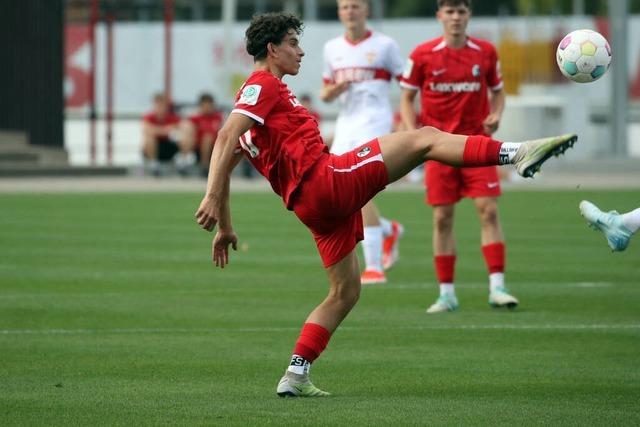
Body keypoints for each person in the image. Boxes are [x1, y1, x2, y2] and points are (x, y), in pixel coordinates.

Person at [194, 12, 576, 397]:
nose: (301, 51)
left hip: (313, 208)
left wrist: (225, 226)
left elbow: (225, 162)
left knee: (345, 292)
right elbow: (225, 137)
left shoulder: (263, 99)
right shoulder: (263, 85)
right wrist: (210, 197)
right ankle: (518, 153)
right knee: (423, 138)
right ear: (272, 49)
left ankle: (295, 374)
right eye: (293, 43)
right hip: (326, 181)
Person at [400, 0, 517, 314]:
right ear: (440, 16)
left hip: (477, 146)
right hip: (439, 149)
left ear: (469, 15)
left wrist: (496, 115)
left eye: (461, 11)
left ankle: (498, 288)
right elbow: (407, 99)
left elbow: (498, 91)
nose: (455, 17)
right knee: (442, 219)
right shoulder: (422, 54)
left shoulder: (486, 52)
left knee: (488, 211)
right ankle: (447, 294)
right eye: (449, 11)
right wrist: (415, 137)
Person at [320, 0, 405, 285]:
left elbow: (406, 86)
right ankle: (386, 230)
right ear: (339, 12)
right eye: (345, 7)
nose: (350, 11)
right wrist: (335, 89)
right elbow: (325, 94)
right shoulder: (332, 48)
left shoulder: (385, 45)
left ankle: (374, 266)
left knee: (359, 189)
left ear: (366, 11)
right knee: (334, 191)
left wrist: (405, 121)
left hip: (375, 121)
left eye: (355, 6)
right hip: (346, 124)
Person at [141, 93, 188, 176]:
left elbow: (185, 127)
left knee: (186, 137)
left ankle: (182, 162)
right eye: (158, 104)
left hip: (169, 146)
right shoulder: (148, 117)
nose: (160, 107)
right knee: (148, 138)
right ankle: (154, 165)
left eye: (162, 104)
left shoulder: (173, 117)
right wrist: (166, 129)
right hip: (156, 148)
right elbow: (147, 129)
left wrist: (162, 130)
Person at [183, 93, 225, 176]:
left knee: (207, 138)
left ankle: (204, 165)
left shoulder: (218, 117)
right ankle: (184, 161)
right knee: (186, 137)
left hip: (214, 147)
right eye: (205, 106)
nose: (207, 108)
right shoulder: (194, 118)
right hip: (196, 147)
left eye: (209, 106)